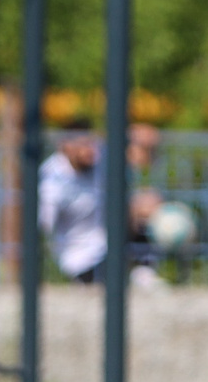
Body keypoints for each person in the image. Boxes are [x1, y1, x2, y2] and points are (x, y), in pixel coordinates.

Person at [37, 119, 168, 285]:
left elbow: (134, 147)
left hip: (108, 243)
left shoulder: (98, 159)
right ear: (66, 146)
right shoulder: (53, 180)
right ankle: (136, 272)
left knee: (146, 202)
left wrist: (143, 137)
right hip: (81, 257)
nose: (90, 150)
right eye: (83, 145)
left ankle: (143, 268)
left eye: (91, 143)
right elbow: (45, 225)